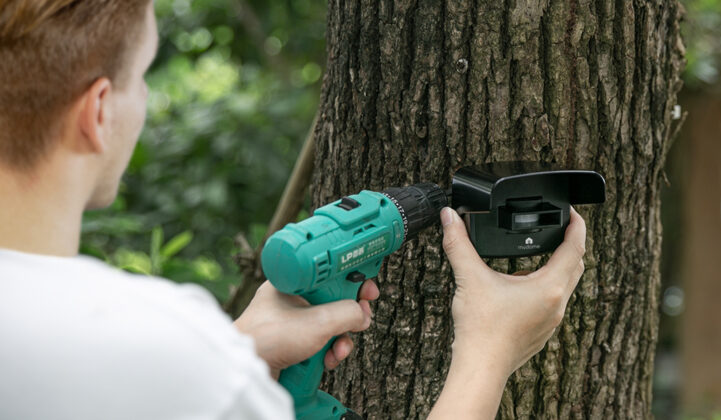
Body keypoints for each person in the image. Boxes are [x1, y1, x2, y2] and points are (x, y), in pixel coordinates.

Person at [0, 1, 587, 419]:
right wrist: (490, 353)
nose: (146, 98)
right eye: (143, 74)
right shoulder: (163, 343)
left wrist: (238, 349)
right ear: (98, 111)